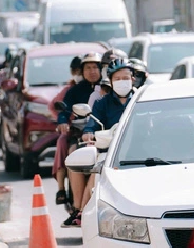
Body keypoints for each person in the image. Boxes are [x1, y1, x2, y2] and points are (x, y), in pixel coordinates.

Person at [69, 58, 136, 227]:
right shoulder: (101, 103)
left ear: (133, 79)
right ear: (111, 81)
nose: (122, 82)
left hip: (139, 152)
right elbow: (91, 125)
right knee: (96, 171)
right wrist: (88, 134)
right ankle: (83, 212)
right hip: (110, 152)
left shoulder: (140, 100)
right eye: (118, 79)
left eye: (126, 78)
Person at [57, 52, 102, 226]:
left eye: (95, 67)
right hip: (82, 135)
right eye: (88, 67)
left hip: (105, 136)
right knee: (73, 153)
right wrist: (62, 122)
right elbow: (65, 111)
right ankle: (77, 208)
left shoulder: (107, 88)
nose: (92, 71)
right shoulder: (75, 91)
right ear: (82, 70)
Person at [50, 55, 83, 205]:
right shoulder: (70, 90)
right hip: (74, 130)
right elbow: (55, 106)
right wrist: (63, 121)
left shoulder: (101, 89)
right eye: (76, 71)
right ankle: (61, 188)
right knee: (63, 142)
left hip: (95, 131)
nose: (80, 74)